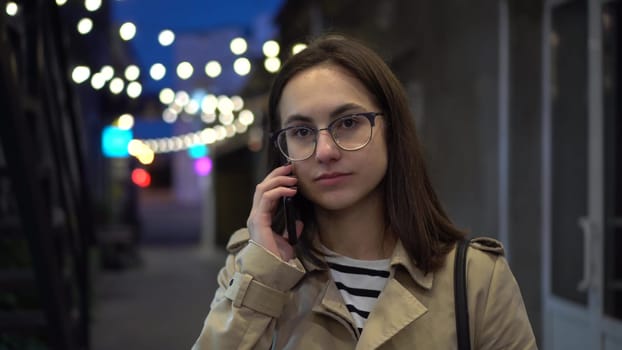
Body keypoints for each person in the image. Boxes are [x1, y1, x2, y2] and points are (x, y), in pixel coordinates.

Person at [192, 34, 537, 349]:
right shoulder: (253, 269)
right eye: (301, 131)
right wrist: (263, 274)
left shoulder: (476, 277)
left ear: (392, 129)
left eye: (349, 123)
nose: (325, 150)